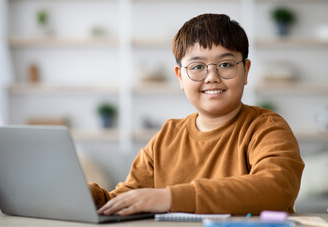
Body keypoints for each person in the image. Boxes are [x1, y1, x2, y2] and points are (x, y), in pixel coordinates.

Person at [90, 13, 304, 216]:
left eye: (226, 64)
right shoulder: (166, 136)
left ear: (246, 71)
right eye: (198, 66)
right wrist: (88, 196)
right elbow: (127, 199)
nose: (212, 77)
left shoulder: (267, 128)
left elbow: (276, 188)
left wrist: (171, 198)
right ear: (180, 77)